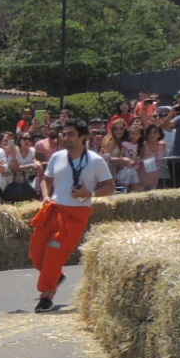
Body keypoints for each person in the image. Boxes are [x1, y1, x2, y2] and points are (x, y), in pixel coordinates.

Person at [31, 121, 114, 313]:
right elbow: (46, 180)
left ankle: (47, 295)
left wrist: (89, 193)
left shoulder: (95, 160)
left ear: (82, 137)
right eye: (64, 134)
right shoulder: (57, 157)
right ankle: (56, 275)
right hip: (53, 210)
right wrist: (45, 196)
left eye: (70, 134)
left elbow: (110, 187)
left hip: (76, 214)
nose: (65, 138)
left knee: (54, 253)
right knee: (36, 254)